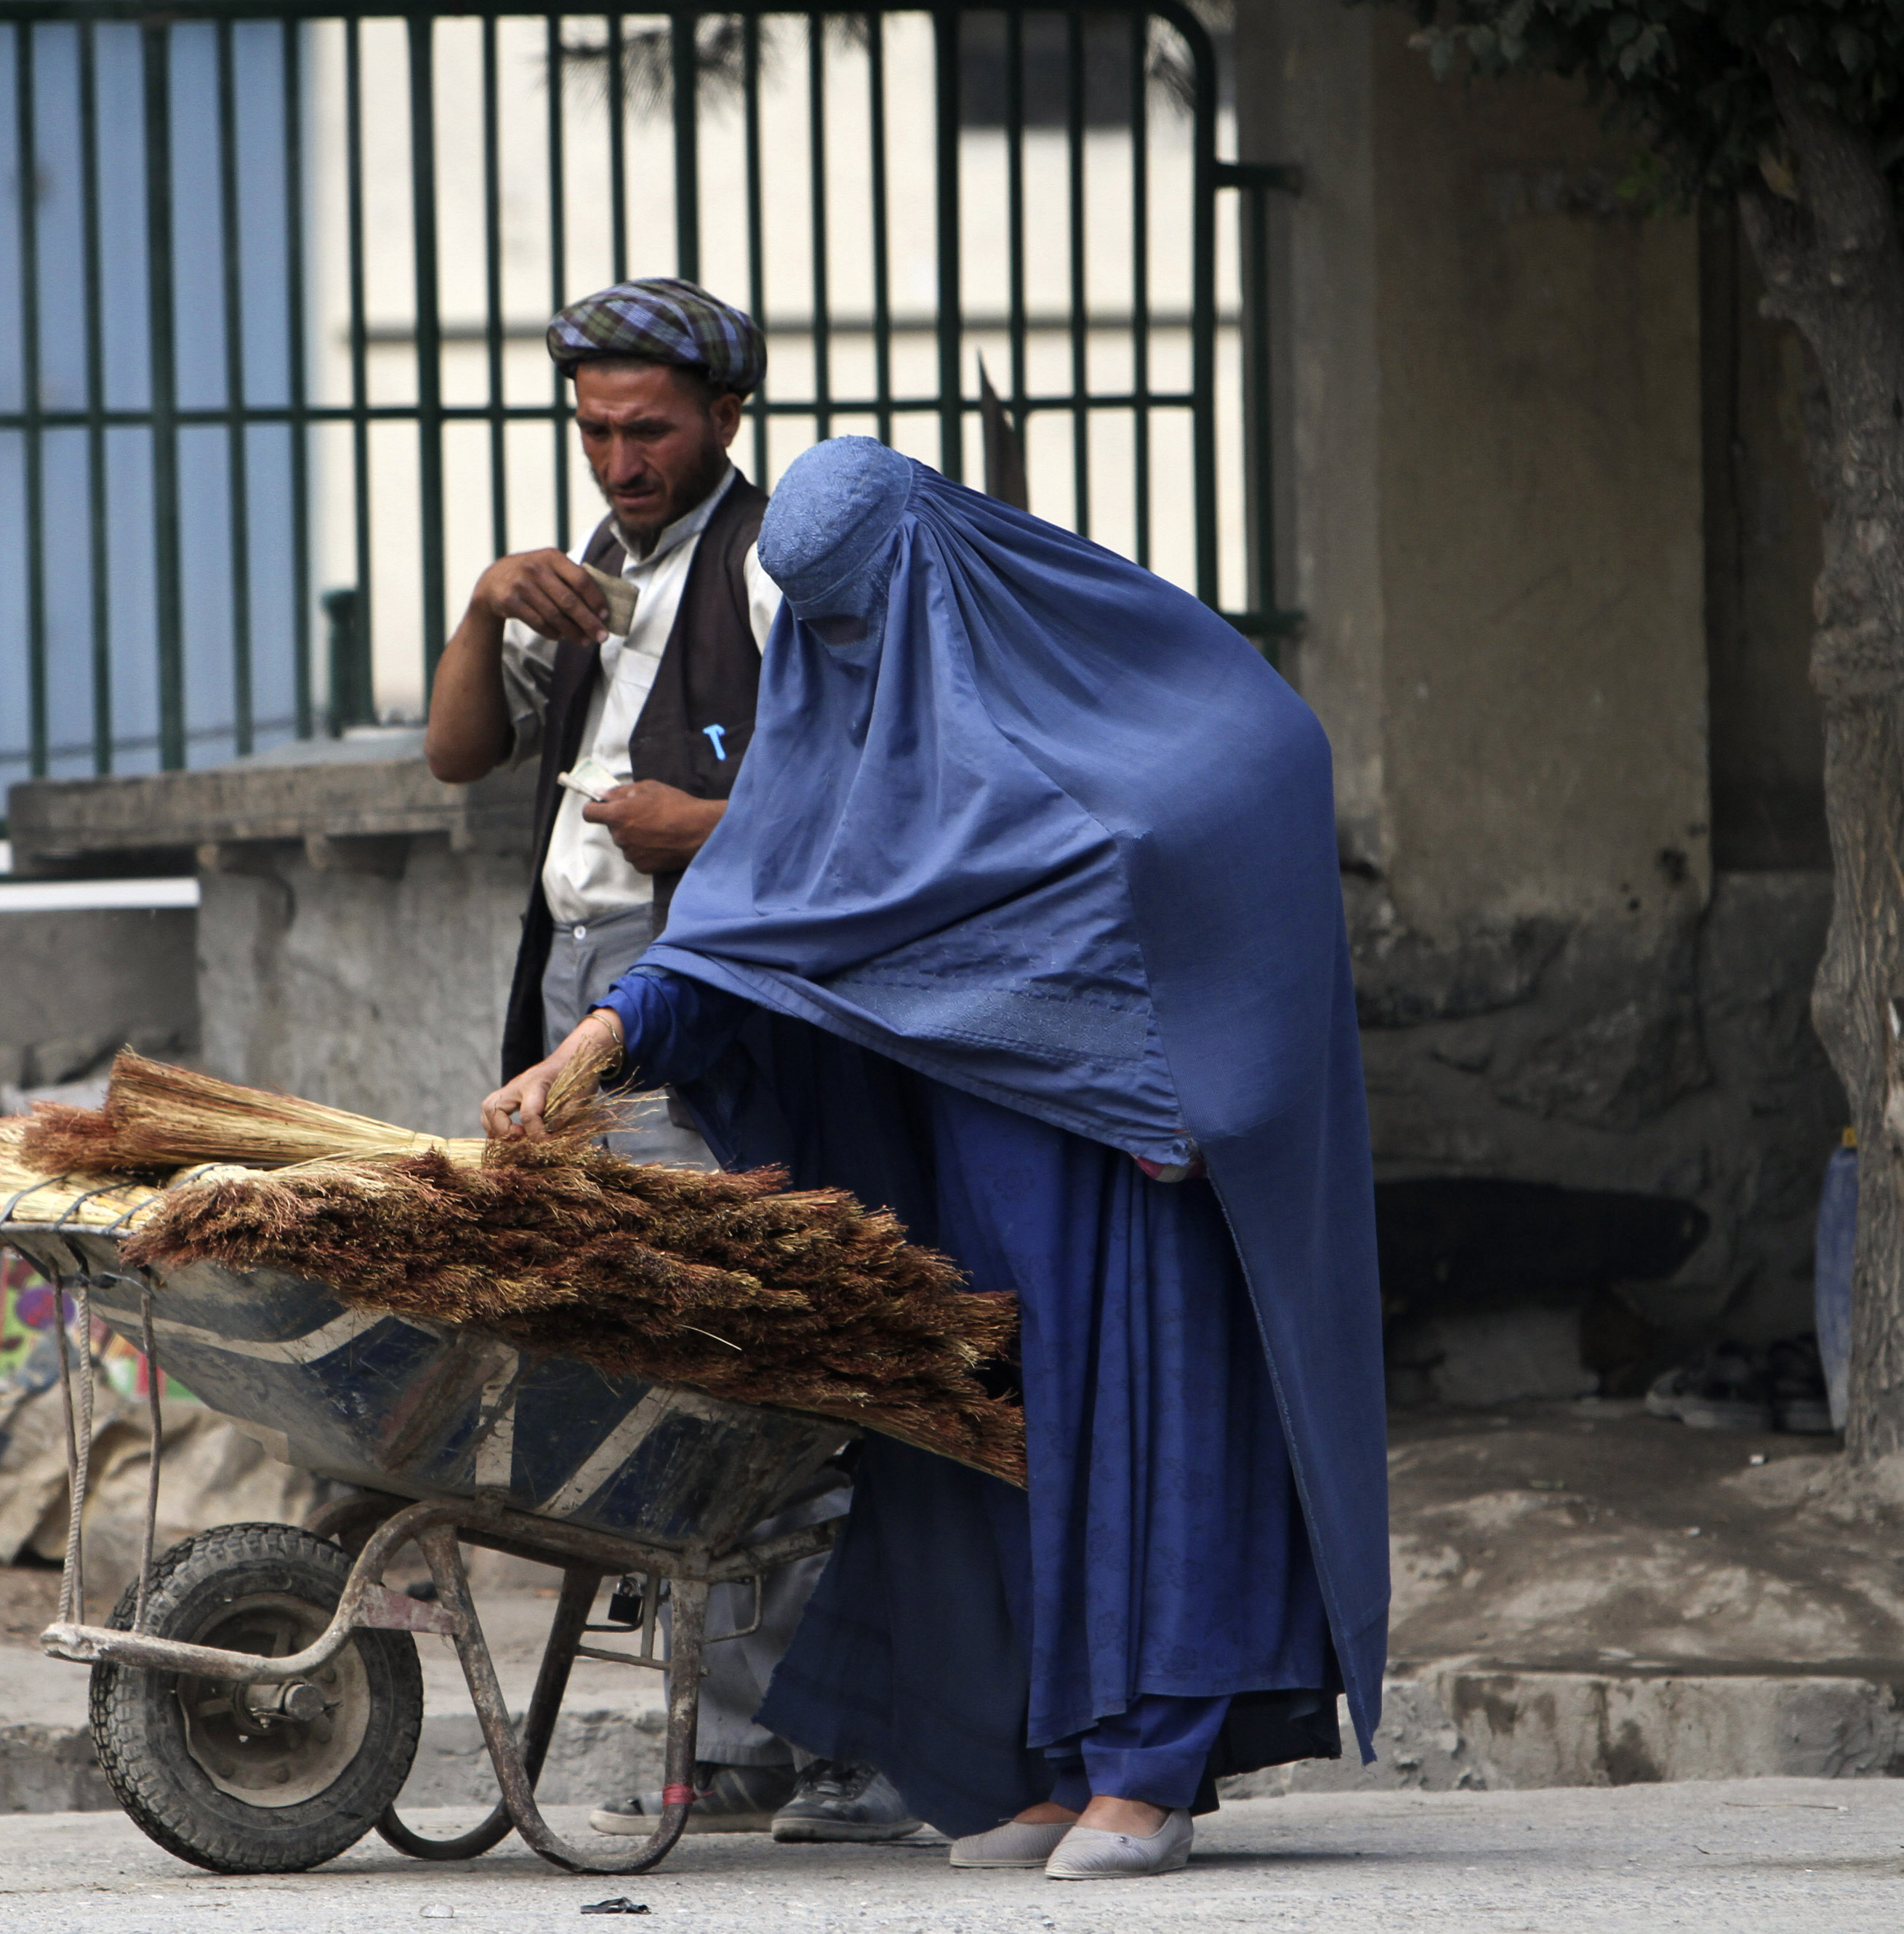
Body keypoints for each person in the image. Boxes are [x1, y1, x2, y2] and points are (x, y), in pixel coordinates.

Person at [483, 436, 1390, 1881]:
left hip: (1121, 1157)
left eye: (861, 610)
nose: (845, 646)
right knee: (981, 1448)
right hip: (952, 1161)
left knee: (1136, 1432)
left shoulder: (1118, 670)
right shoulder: (844, 716)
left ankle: (1144, 1769)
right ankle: (1043, 1760)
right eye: (818, 620)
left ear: (928, 569)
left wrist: (1192, 1056)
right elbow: (752, 921)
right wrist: (587, 1051)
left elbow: (1258, 769)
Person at [425, 280, 911, 1845]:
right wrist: (485, 606)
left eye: (648, 431)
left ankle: (845, 1740)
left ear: (725, 419)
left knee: (757, 1364)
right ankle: (749, 1734)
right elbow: (456, 753)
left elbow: (879, 796)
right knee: (663, 1370)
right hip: (575, 992)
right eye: (595, 432)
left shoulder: (774, 573)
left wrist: (704, 826)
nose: (620, 462)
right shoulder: (590, 577)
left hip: (722, 1010)